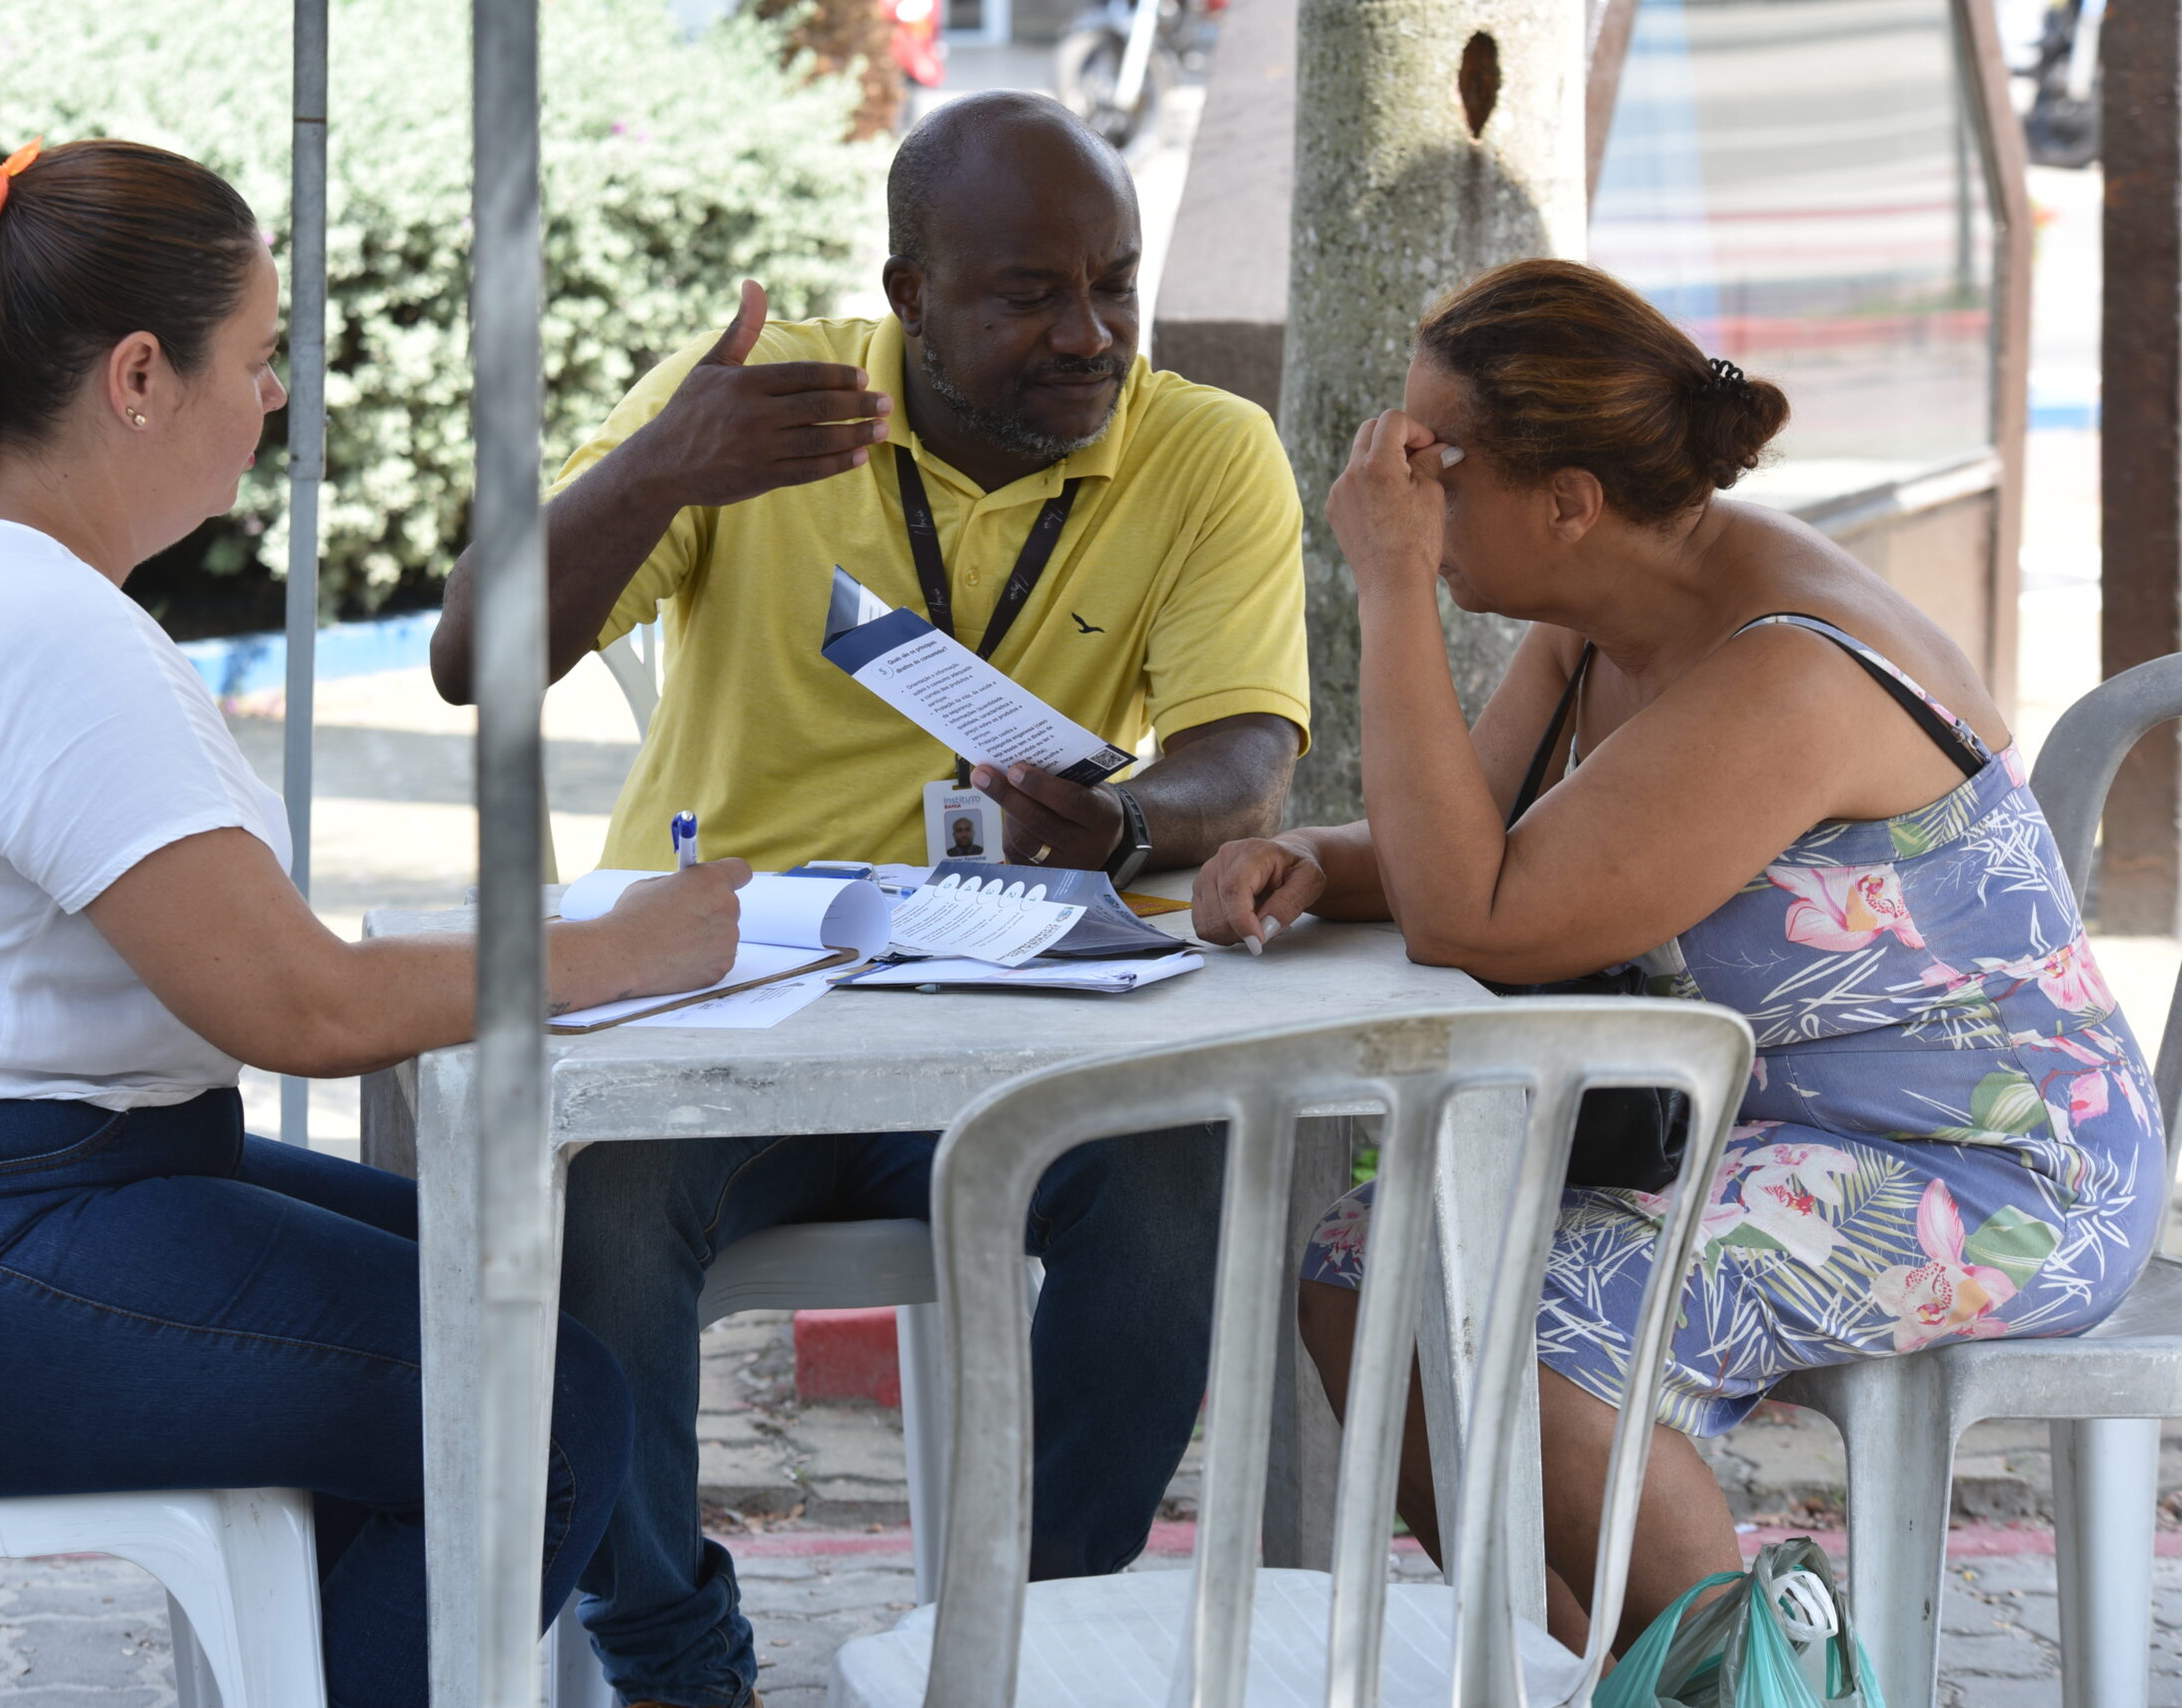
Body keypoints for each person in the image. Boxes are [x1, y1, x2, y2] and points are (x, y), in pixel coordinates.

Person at [0, 138, 749, 1708]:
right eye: (260, 358)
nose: (279, 400)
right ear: (138, 378)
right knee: (532, 1394)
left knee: (523, 1285)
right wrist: (627, 949)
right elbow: (295, 1010)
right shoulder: (37, 630)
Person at [430, 91, 1309, 1707]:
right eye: (1029, 293)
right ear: (907, 295)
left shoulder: (1202, 447)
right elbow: (469, 664)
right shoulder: (768, 415)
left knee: (1176, 1171)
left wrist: (1117, 825)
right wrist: (660, 465)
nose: (1089, 332)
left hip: (1011, 1005)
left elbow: (1244, 751)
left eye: (1116, 284)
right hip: (717, 987)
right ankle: (683, 1669)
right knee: (591, 1202)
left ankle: (1022, 1645)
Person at [1193, 258, 2165, 1656]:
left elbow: (1474, 911)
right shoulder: (1601, 616)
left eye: (1433, 465)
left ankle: (1759, 1688)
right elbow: (1475, 838)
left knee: (1537, 1333)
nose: (1401, 491)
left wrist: (1390, 587)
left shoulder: (1786, 668)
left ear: (1569, 501)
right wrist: (1325, 862)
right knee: (1364, 1268)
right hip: (1794, 1128)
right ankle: (1622, 1674)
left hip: (1998, 1163)